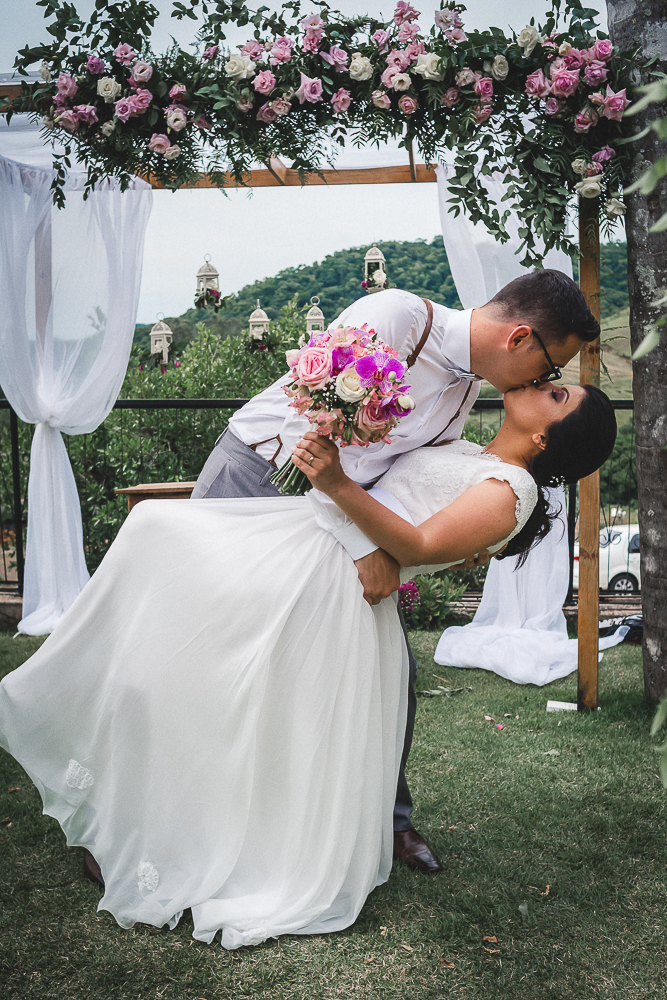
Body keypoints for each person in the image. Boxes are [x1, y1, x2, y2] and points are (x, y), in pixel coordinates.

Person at [0, 381, 616, 949]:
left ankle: (179, 839)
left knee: (225, 682)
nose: (543, 384)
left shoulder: (513, 491)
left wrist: (336, 481)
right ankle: (135, 803)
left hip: (332, 585)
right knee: (159, 543)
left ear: (546, 438)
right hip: (309, 538)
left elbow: (418, 546)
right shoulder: (468, 451)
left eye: (557, 395)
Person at [190, 269, 600, 873]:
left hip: (328, 522)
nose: (542, 381)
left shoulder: (463, 394)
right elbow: (305, 432)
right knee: (211, 652)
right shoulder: (397, 318)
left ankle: (384, 818)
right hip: (257, 477)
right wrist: (366, 547)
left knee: (385, 676)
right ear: (519, 338)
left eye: (551, 380)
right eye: (548, 369)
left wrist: (464, 533)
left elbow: (399, 474)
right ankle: (162, 809)